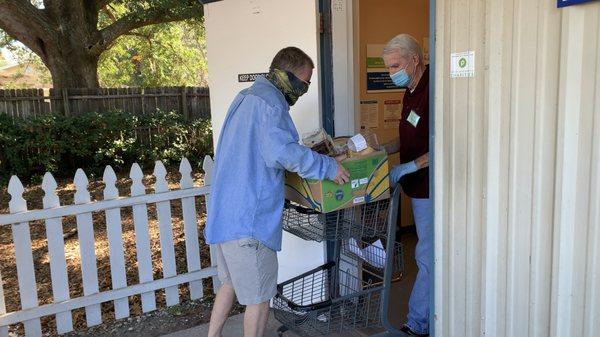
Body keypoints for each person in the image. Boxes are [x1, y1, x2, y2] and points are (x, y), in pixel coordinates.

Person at [205, 46, 349, 337]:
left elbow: (265, 149)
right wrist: (329, 167)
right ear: (288, 75)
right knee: (259, 300)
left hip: (225, 214)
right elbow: (284, 153)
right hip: (250, 223)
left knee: (230, 284)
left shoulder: (246, 97)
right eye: (305, 82)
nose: (306, 89)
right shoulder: (271, 104)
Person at [382, 34, 431, 337]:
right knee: (425, 253)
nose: (391, 73)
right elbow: (409, 136)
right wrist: (381, 148)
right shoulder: (410, 91)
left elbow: (443, 142)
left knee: (426, 256)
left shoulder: (433, 90)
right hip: (414, 187)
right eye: (388, 68)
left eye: (395, 66)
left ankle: (418, 323)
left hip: (429, 188)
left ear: (414, 59)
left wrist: (410, 166)